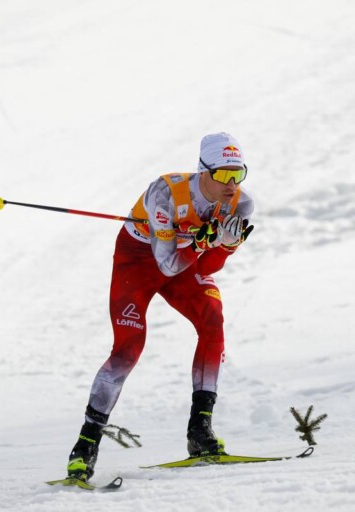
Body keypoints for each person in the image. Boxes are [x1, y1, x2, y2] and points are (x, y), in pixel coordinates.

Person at [66, 132, 255, 482]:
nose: (232, 185)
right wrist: (205, 241)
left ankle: (200, 430)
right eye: (224, 175)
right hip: (137, 264)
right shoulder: (166, 193)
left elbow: (205, 268)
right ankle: (85, 445)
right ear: (203, 172)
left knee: (213, 320)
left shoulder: (240, 205)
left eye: (238, 174)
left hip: (184, 264)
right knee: (129, 348)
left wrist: (224, 246)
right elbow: (166, 264)